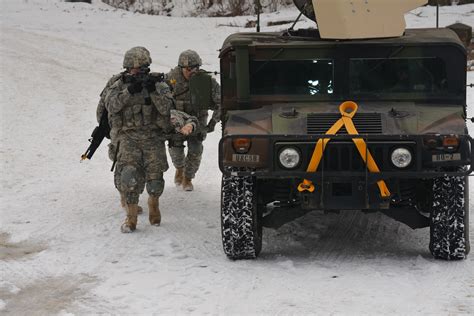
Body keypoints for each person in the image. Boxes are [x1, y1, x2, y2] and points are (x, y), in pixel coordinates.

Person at [104, 46, 174, 233]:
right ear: (127, 68)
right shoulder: (118, 85)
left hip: (152, 137)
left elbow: (168, 109)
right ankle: (131, 218)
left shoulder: (159, 84)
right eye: (134, 69)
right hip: (128, 138)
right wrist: (129, 92)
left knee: (155, 179)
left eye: (141, 69)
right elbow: (111, 106)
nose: (137, 72)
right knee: (128, 177)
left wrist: (152, 92)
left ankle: (154, 203)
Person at [166, 50, 221, 191]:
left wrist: (212, 123)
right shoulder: (170, 79)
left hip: (198, 123)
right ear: (181, 68)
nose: (192, 72)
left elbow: (222, 102)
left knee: (195, 150)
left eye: (195, 68)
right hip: (177, 124)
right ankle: (179, 168)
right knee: (176, 151)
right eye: (188, 69)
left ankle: (188, 177)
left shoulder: (207, 82)